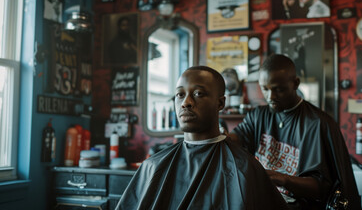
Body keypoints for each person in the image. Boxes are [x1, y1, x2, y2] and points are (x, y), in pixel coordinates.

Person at [116, 66, 288, 209]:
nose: (186, 102)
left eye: (198, 93)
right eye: (180, 95)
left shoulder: (245, 169)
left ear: (220, 103)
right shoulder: (152, 166)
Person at [228, 55, 361, 209]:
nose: (271, 97)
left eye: (279, 89)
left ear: (295, 83)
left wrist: (281, 178)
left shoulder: (316, 123)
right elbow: (237, 137)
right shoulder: (258, 116)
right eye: (265, 89)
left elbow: (322, 188)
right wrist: (221, 135)